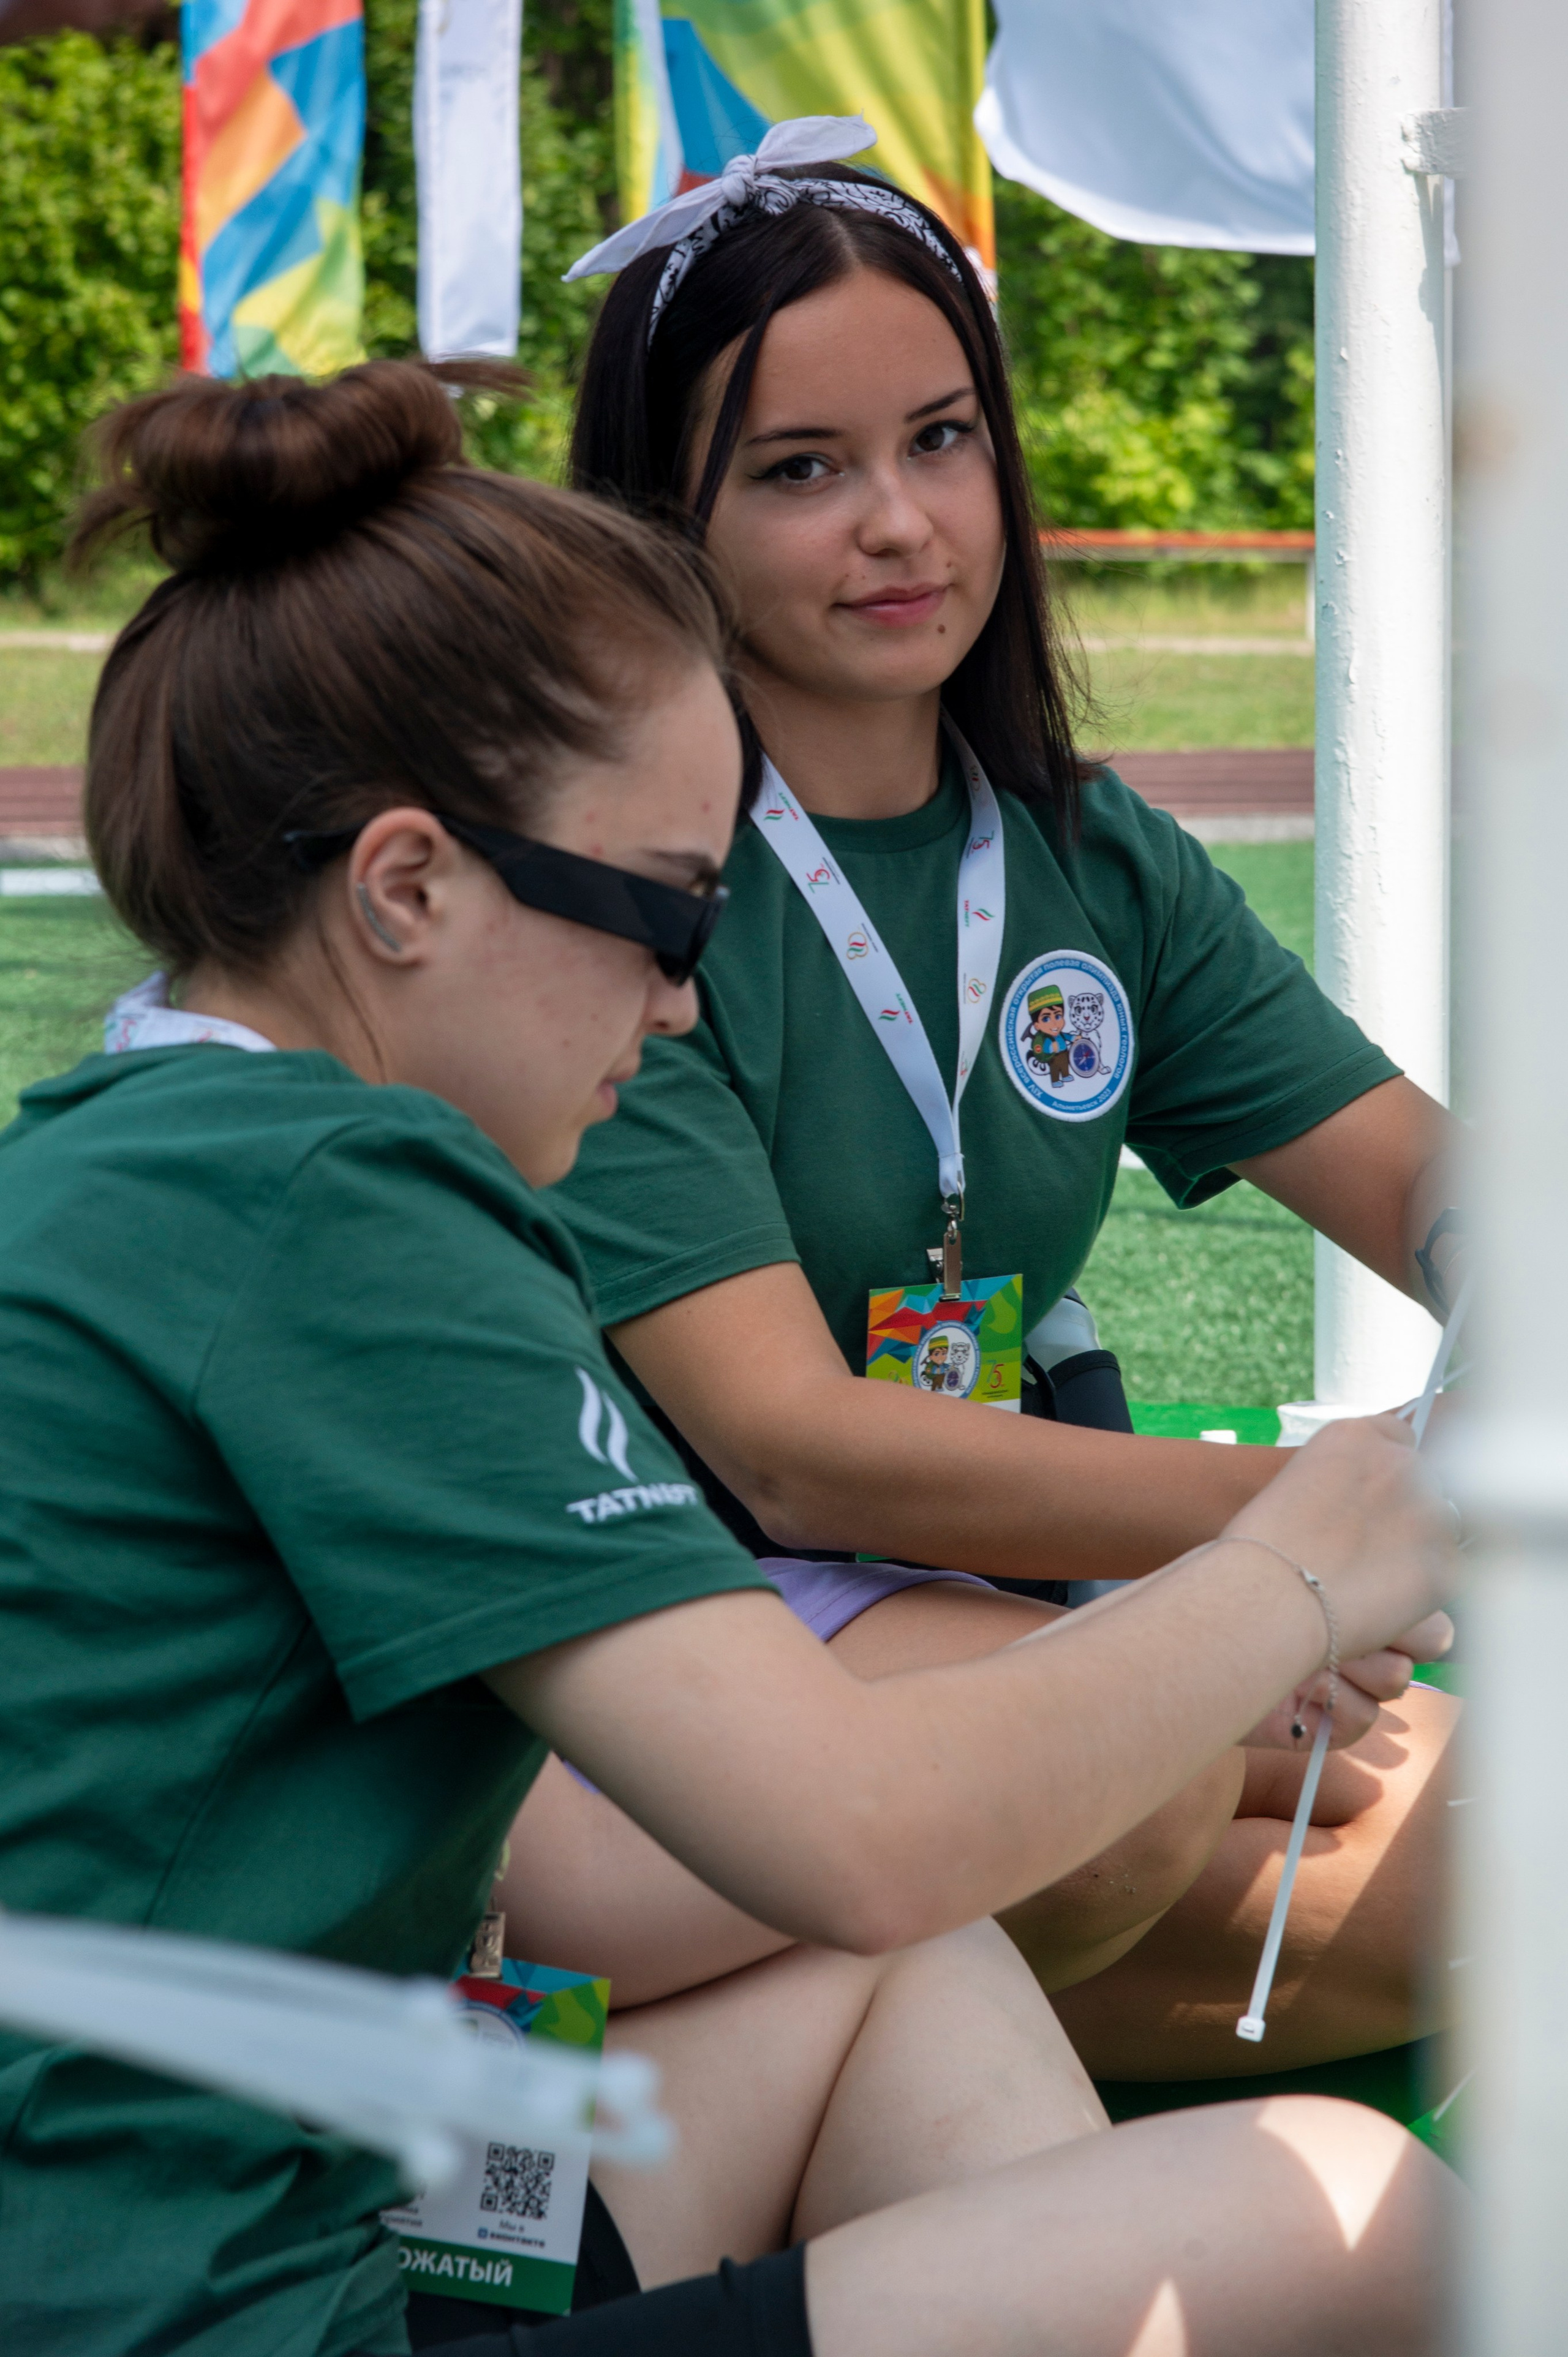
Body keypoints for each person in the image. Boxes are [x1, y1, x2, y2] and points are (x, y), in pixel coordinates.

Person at [0, 359, 1457, 2357]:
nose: (684, 1007)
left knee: (916, 1966)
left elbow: (603, 1879)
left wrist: (1180, 1664)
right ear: (406, 887)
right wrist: (1296, 1568)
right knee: (1361, 2215)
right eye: (665, 915)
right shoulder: (344, 1208)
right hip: (204, 2310)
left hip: (272, 2200)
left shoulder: (146, 1146)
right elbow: (854, 1827)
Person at [496, 118, 1464, 2081]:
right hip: (685, 1614)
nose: (900, 523)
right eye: (799, 471)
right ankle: (752, 2071)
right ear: (658, 519)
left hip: (992, 1586)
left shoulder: (1086, 851)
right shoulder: (621, 886)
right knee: (1152, 1791)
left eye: (943, 441)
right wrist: (1288, 1544)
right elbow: (792, 1453)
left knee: (1490, 1870)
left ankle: (849, 2048)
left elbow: (1425, 1180)